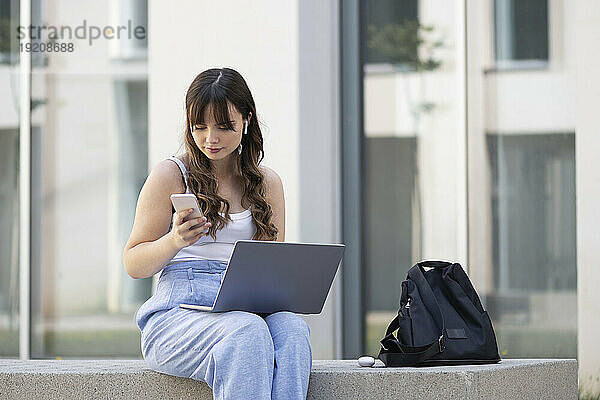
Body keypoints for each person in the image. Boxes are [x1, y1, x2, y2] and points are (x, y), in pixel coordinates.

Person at [123, 67, 312, 400]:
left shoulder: (268, 183)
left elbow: (272, 270)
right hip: (177, 316)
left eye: (224, 126)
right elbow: (134, 264)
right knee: (246, 331)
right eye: (200, 126)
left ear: (247, 120)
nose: (211, 138)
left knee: (293, 329)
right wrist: (175, 240)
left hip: (246, 308)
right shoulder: (171, 175)